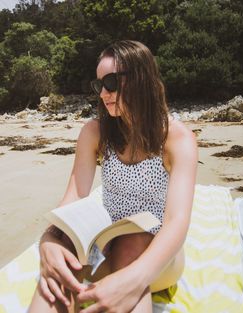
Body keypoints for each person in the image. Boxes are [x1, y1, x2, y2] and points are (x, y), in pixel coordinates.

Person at [29, 40, 197, 313]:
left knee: (132, 241)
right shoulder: (95, 132)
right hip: (107, 244)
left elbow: (177, 222)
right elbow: (74, 196)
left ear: (142, 79)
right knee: (63, 254)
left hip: (158, 258)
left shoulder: (176, 138)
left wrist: (135, 277)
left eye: (112, 82)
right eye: (99, 85)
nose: (104, 93)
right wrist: (48, 240)